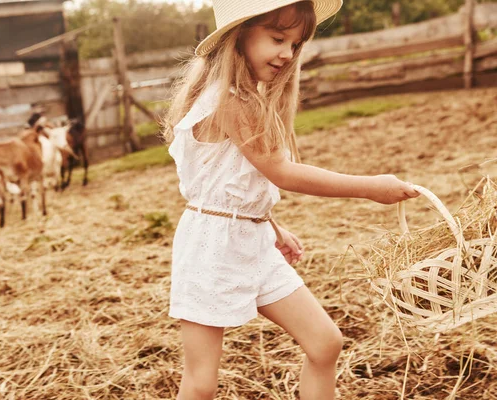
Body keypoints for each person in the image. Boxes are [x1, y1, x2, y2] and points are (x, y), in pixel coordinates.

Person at [162, 1, 420, 399]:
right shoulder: (231, 101)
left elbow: (231, 180)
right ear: (240, 35)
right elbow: (281, 172)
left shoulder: (245, 98)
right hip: (210, 250)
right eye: (278, 38)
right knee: (201, 385)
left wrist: (270, 225)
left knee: (324, 343)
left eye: (295, 44)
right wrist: (370, 186)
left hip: (251, 241)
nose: (287, 53)